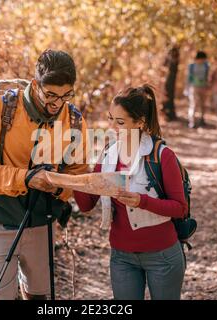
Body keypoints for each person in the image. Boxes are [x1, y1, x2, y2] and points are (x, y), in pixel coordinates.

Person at [0, 49, 89, 300]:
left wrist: (58, 187)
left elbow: (77, 172)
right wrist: (26, 179)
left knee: (39, 297)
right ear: (35, 84)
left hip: (42, 224)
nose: (57, 103)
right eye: (50, 95)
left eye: (66, 95)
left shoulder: (74, 121)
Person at [74, 85, 188, 300]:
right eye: (110, 119)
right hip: (122, 257)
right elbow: (86, 204)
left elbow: (180, 208)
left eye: (120, 122)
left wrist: (141, 201)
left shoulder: (162, 156)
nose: (112, 128)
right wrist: (73, 176)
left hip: (162, 256)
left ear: (140, 122)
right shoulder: (108, 155)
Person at [186, 51, 210, 129]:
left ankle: (202, 119)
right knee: (194, 104)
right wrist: (187, 88)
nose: (203, 61)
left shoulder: (206, 65)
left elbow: (207, 76)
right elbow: (189, 78)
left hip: (203, 87)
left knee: (202, 104)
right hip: (194, 87)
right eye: (202, 59)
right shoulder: (192, 66)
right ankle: (192, 122)